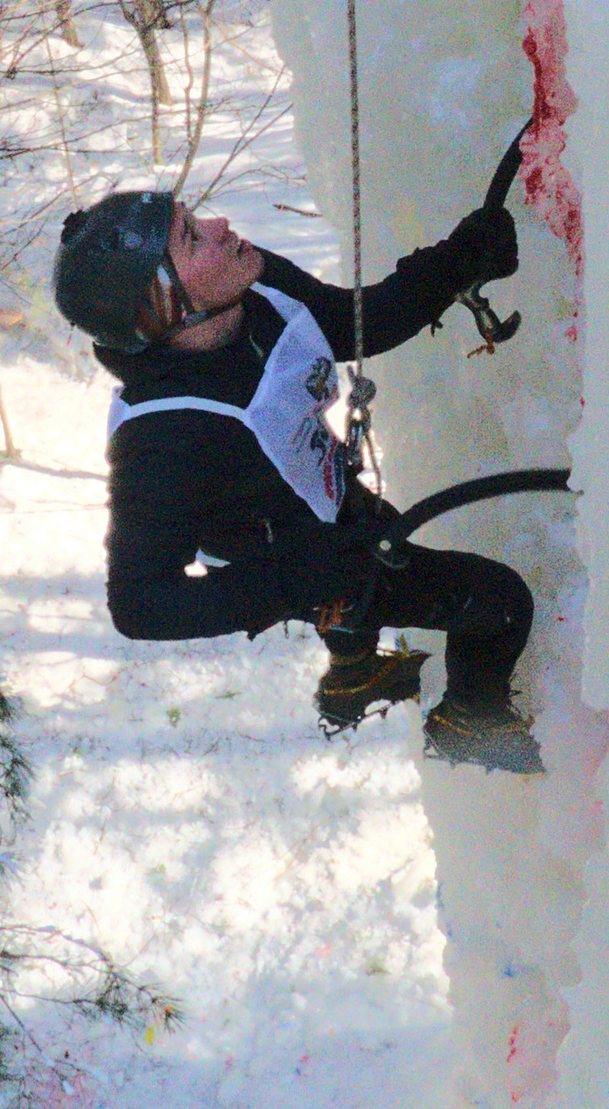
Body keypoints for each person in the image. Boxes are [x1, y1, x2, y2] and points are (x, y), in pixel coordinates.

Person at [51, 165, 540, 771]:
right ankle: (473, 722)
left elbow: (351, 322)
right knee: (501, 601)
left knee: (365, 565)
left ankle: (353, 676)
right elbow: (139, 604)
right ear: (166, 304)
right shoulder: (162, 440)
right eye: (192, 237)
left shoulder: (249, 285)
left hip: (325, 500)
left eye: (194, 216)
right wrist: (292, 582)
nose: (219, 224)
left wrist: (456, 262)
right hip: (285, 558)